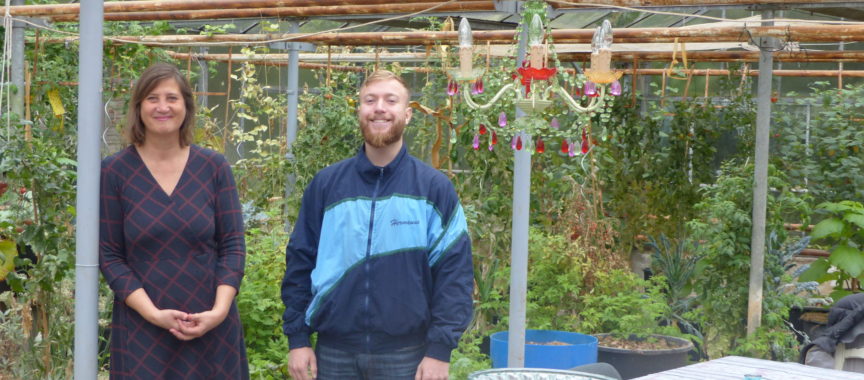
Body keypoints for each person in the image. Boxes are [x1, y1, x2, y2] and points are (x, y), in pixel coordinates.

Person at [282, 70, 474, 380]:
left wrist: (440, 351)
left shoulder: (433, 189)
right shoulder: (327, 185)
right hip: (332, 354)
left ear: (408, 114)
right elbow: (300, 262)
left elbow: (454, 273)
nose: (379, 108)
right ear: (359, 111)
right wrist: (298, 339)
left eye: (391, 100)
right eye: (370, 100)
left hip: (406, 356)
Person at [99, 63, 249, 379]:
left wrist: (219, 312)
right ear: (139, 107)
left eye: (172, 98)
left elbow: (233, 246)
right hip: (142, 330)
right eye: (153, 98)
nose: (163, 107)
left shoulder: (214, 167)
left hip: (211, 325)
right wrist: (152, 314)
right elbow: (110, 256)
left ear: (186, 106)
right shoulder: (115, 172)